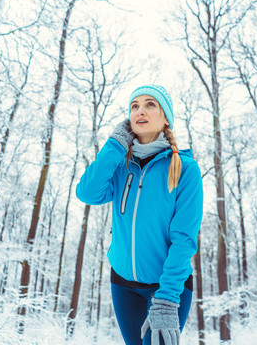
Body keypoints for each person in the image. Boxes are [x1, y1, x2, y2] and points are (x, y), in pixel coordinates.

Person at [76, 84, 204, 345]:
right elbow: (87, 193)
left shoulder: (186, 169)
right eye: (134, 106)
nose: (140, 110)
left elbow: (184, 239)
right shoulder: (121, 164)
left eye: (150, 104)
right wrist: (115, 144)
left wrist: (167, 299)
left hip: (167, 286)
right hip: (123, 284)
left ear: (165, 117)